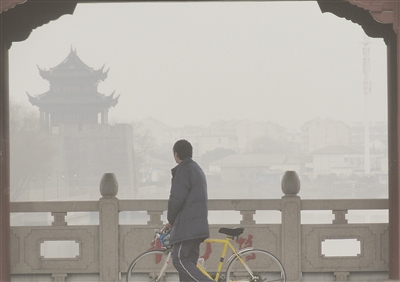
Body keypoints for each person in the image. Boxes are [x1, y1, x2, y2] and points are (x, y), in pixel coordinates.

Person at [165, 139, 213, 282]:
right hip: (197, 225)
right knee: (189, 267)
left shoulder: (183, 170)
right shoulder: (197, 169)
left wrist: (170, 220)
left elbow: (176, 199)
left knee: (179, 259)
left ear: (176, 154)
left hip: (187, 227)